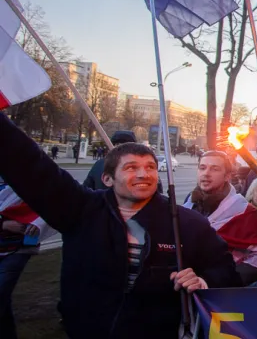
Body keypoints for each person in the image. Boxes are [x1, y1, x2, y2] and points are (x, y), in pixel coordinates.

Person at [0, 113, 240, 337]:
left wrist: (202, 281)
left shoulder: (186, 222)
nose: (143, 174)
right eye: (131, 168)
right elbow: (30, 165)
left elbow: (226, 270)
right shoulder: (79, 209)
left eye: (150, 167)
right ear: (107, 178)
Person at [184, 151, 257, 286]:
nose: (206, 173)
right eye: (202, 168)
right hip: (187, 287)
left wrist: (226, 279)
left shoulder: (244, 211)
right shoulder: (189, 202)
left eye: (214, 169)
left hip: (224, 294)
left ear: (227, 176)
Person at [0, 179, 58, 339]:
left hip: (18, 249)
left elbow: (53, 204)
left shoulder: (30, 178)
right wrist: (3, 224)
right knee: (4, 302)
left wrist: (39, 222)